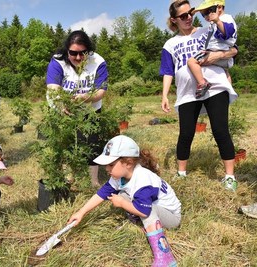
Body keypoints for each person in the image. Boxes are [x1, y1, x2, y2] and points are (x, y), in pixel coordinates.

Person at [160, 0, 239, 191]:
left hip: (214, 86)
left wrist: (219, 57)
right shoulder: (170, 44)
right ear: (174, 20)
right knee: (186, 133)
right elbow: (168, 71)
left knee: (220, 130)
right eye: (183, 16)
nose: (189, 18)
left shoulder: (207, 30)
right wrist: (164, 95)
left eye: (191, 13)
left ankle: (229, 176)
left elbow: (234, 49)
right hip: (187, 92)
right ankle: (181, 173)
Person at [68, 135, 181, 266]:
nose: (106, 169)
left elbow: (144, 211)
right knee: (123, 194)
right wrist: (81, 212)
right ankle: (145, 225)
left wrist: (121, 203)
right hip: (155, 209)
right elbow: (102, 193)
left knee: (144, 208)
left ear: (128, 163)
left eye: (111, 165)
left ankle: (165, 256)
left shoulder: (142, 180)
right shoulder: (120, 176)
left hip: (172, 216)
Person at [46, 30, 108, 187]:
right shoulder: (58, 61)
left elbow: (101, 91)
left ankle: (93, 181)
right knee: (65, 142)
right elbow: (53, 88)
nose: (78, 57)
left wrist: (85, 98)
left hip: (90, 109)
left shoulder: (98, 61)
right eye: (73, 53)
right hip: (63, 107)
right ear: (67, 50)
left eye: (83, 53)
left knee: (92, 143)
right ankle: (68, 178)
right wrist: (61, 105)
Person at [187, 0, 237, 98]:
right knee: (224, 71)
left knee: (191, 62)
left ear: (219, 8)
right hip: (224, 58)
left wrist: (218, 21)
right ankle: (229, 90)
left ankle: (202, 83)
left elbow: (228, 32)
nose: (206, 17)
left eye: (208, 12)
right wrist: (193, 12)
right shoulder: (215, 23)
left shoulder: (225, 19)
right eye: (203, 15)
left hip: (216, 51)